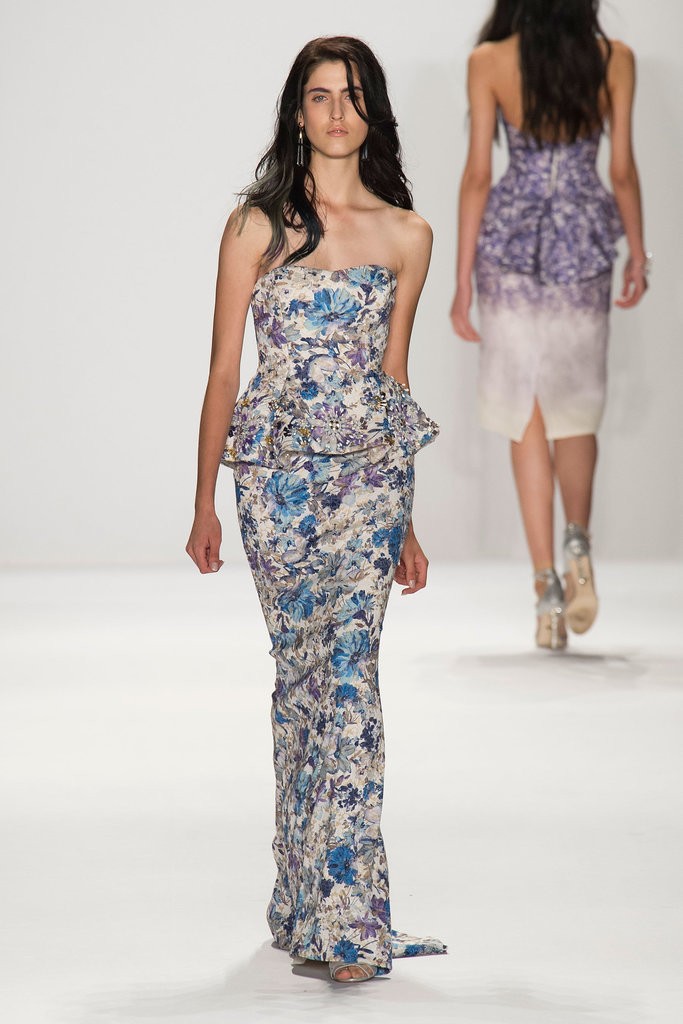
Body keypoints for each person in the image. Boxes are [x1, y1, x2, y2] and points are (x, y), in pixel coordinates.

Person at [186, 37, 445, 982]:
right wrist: (203, 500)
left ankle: (348, 924)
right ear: (297, 112)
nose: (338, 112)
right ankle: (302, 899)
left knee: (348, 683)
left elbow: (392, 379)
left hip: (370, 483)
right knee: (300, 680)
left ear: (373, 112)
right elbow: (224, 371)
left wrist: (406, 520)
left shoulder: (407, 235)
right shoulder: (256, 226)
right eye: (320, 95)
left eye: (353, 95)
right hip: (275, 481)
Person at [450, 0, 648, 649]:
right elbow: (620, 171)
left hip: (508, 242)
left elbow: (478, 175)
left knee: (524, 408)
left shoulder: (490, 61)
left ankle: (546, 591)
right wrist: (637, 254)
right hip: (582, 241)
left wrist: (460, 281)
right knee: (576, 406)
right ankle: (577, 548)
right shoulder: (613, 60)